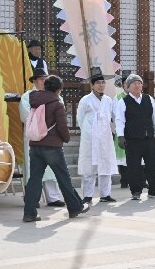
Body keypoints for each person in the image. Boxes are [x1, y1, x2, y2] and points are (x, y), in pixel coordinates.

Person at [22, 75, 89, 222]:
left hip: (35, 145)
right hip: (52, 146)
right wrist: (66, 138)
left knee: (34, 179)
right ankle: (74, 207)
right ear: (59, 89)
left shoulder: (34, 99)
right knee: (63, 178)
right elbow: (62, 126)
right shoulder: (57, 104)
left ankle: (29, 213)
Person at [116, 73, 155, 201]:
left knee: (152, 165)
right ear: (128, 87)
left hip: (149, 138)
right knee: (134, 166)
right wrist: (121, 136)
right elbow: (119, 121)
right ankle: (136, 191)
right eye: (134, 83)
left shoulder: (148, 98)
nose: (137, 85)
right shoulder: (123, 102)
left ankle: (154, 190)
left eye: (139, 83)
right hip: (132, 139)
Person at [20, 68, 65, 207]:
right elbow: (26, 116)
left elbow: (61, 114)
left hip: (51, 136)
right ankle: (35, 198)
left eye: (45, 79)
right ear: (34, 81)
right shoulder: (27, 96)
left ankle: (53, 197)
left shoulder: (56, 96)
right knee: (35, 170)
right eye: (40, 79)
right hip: (35, 136)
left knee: (51, 169)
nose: (43, 82)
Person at [77, 72, 119, 204]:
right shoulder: (85, 100)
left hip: (105, 137)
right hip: (90, 137)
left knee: (105, 165)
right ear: (92, 85)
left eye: (103, 83)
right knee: (89, 167)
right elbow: (80, 118)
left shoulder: (108, 100)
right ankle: (88, 195)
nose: (101, 85)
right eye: (98, 83)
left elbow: (112, 116)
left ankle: (105, 194)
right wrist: (88, 132)